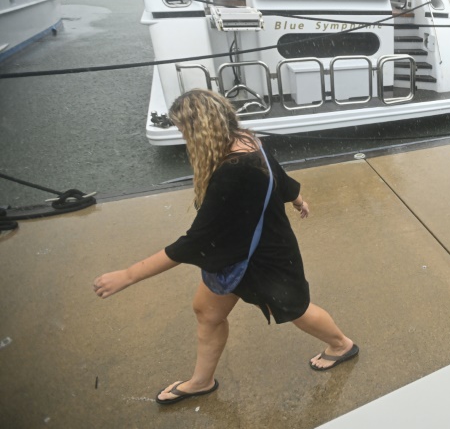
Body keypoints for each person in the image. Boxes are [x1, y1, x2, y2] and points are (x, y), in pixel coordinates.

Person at [93, 89, 358, 405]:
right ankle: (201, 381)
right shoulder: (247, 139)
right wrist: (296, 198)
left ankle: (342, 346)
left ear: (199, 129)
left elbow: (195, 242)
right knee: (206, 312)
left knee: (296, 310)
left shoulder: (233, 170)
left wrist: (128, 275)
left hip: (265, 258)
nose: (182, 137)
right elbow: (278, 176)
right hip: (233, 254)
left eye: (183, 130)